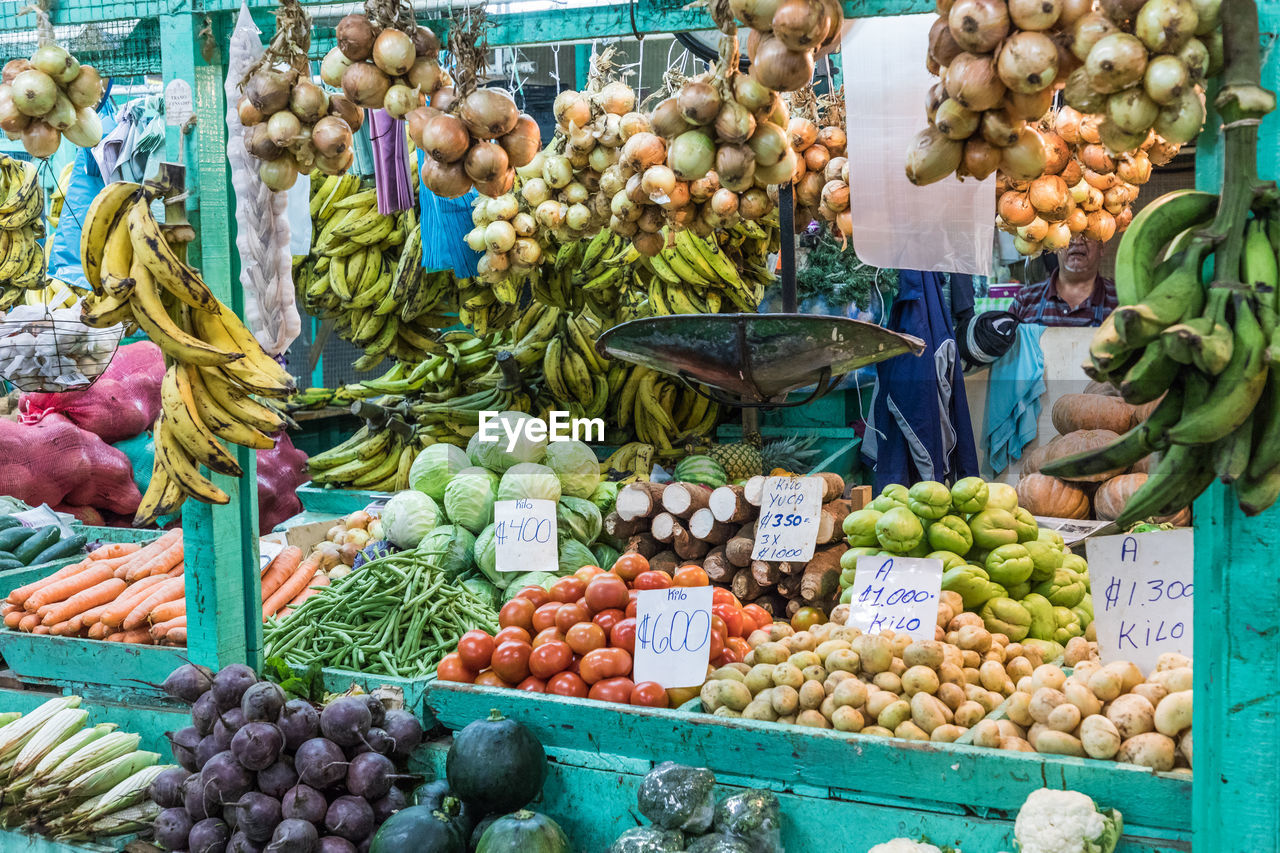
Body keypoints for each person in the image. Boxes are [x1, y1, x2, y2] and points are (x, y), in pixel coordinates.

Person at [1010, 234, 1117, 326]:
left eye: (1087, 234)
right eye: (1069, 233)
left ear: (1102, 247)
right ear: (1055, 246)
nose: (1077, 241)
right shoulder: (1025, 300)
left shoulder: (1120, 300)